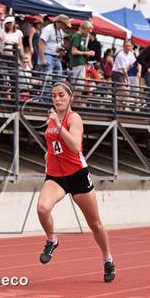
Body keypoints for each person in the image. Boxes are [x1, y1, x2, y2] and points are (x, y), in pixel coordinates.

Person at [37, 81, 116, 283]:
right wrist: (49, 153)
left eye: (61, 95)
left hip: (77, 175)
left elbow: (74, 147)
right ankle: (52, 240)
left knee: (95, 224)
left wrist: (57, 124)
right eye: (54, 96)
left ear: (70, 96)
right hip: (56, 176)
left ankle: (107, 259)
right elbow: (54, 144)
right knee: (42, 209)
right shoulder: (51, 119)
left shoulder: (74, 118)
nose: (57, 99)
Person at [68, 20, 95, 105]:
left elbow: (80, 49)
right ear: (84, 28)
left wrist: (89, 51)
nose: (89, 33)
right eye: (88, 30)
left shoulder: (81, 37)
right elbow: (74, 51)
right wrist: (86, 53)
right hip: (77, 64)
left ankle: (75, 104)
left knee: (79, 86)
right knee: (77, 86)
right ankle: (71, 105)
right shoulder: (76, 36)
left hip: (81, 63)